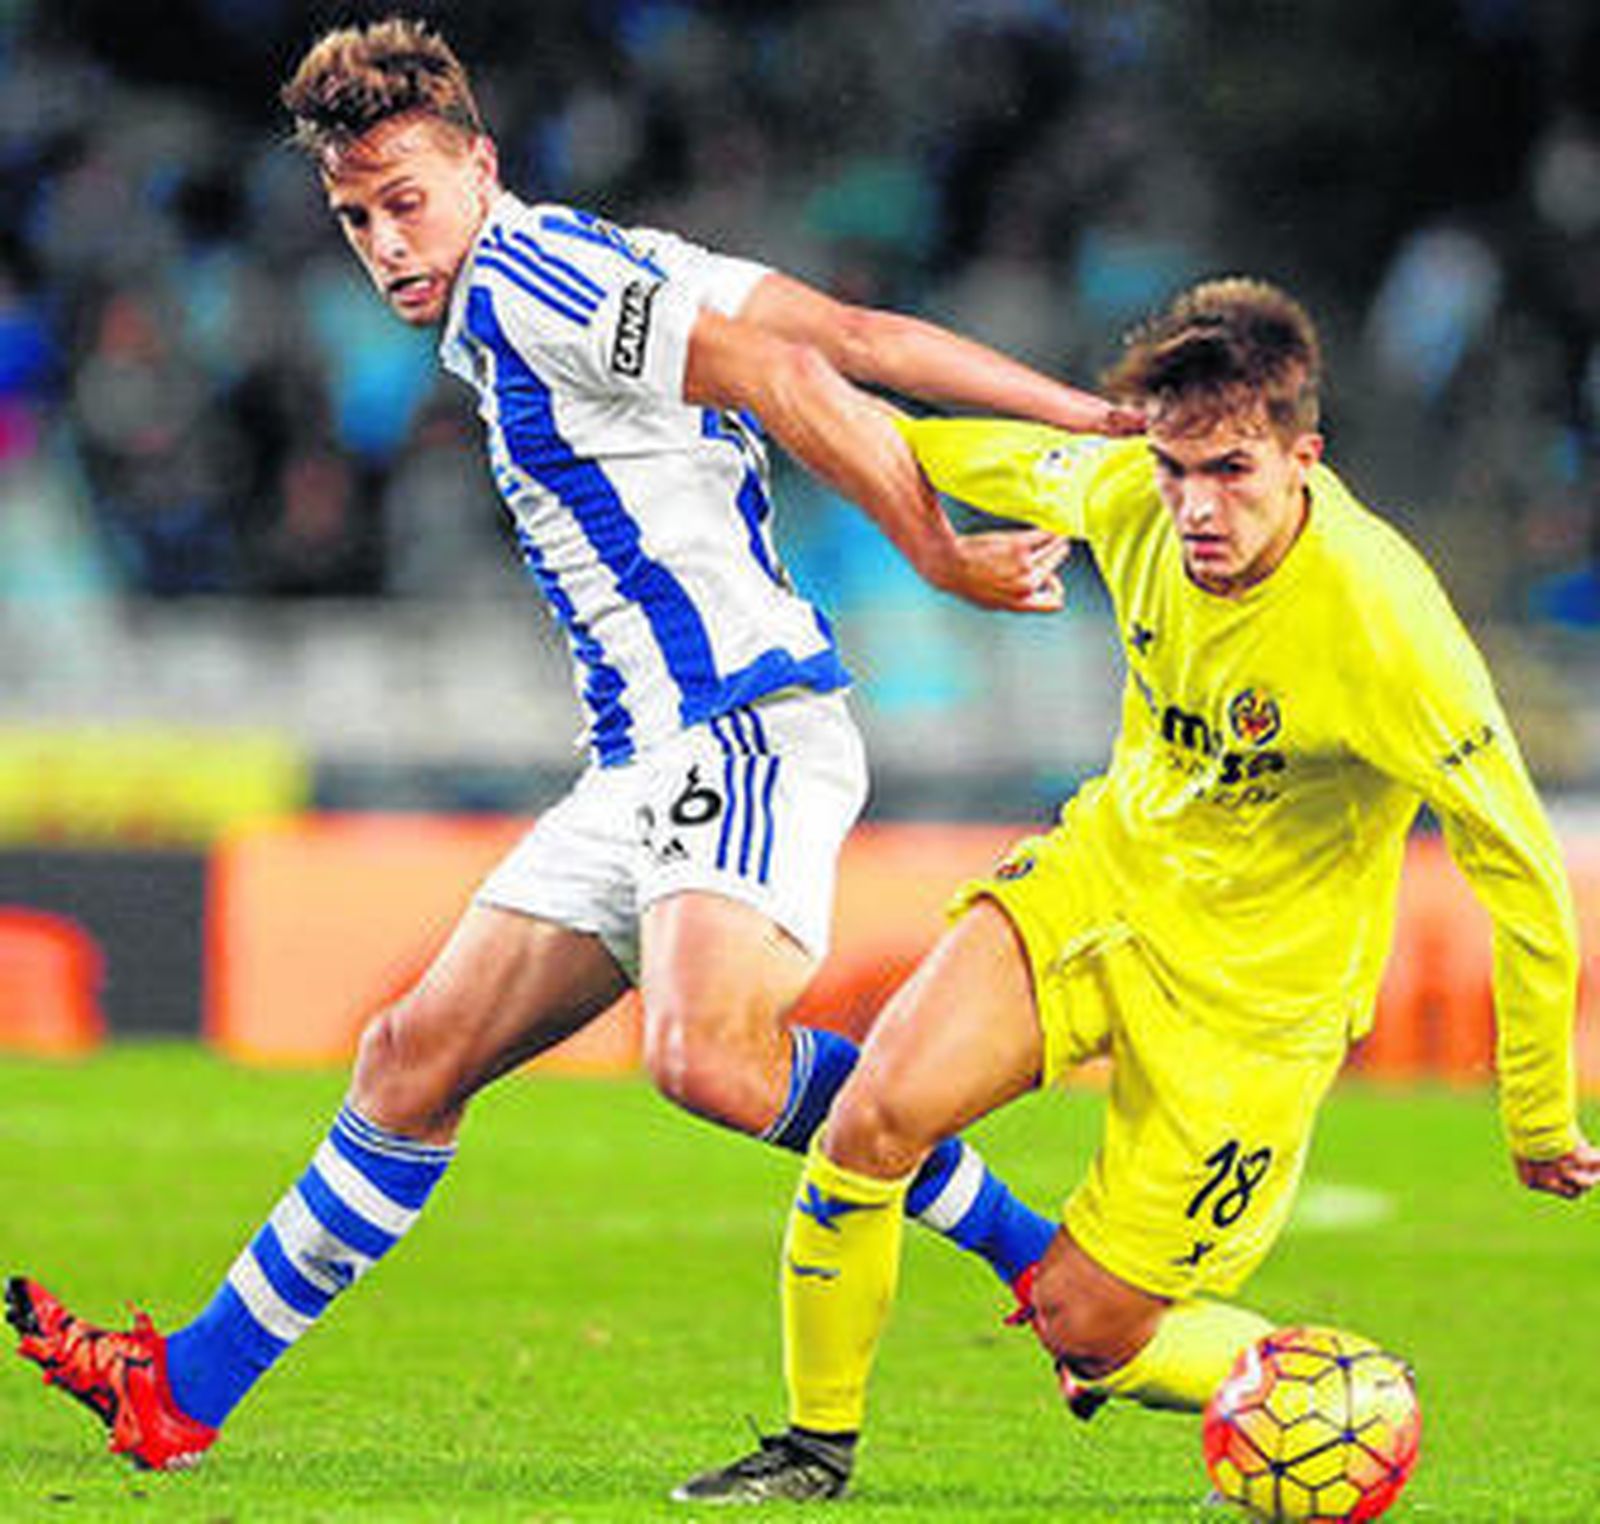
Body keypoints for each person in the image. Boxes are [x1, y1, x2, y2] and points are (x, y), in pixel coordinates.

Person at [5, 18, 1143, 1473]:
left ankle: (1047, 1264)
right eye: (355, 218)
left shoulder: (537, 284)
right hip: (644, 762)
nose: (385, 244)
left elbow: (802, 385)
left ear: (478, 168)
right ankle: (182, 1394)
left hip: (737, 725)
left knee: (711, 1062)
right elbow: (860, 339)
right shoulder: (599, 251)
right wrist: (1089, 419)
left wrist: (941, 555)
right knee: (409, 1062)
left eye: (406, 201)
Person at [675, 276, 1600, 1504]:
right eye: (1175, 471)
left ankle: (1329, 1395)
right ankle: (811, 1450)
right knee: (873, 1118)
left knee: (1086, 1328)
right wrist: (775, 399)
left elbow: (1525, 874)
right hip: (1101, 889)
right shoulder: (1132, 495)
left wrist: (1536, 1113)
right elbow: (969, 452)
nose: (1195, 507)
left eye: (1229, 471)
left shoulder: (1387, 627)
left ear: (1300, 455)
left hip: (1254, 1011)